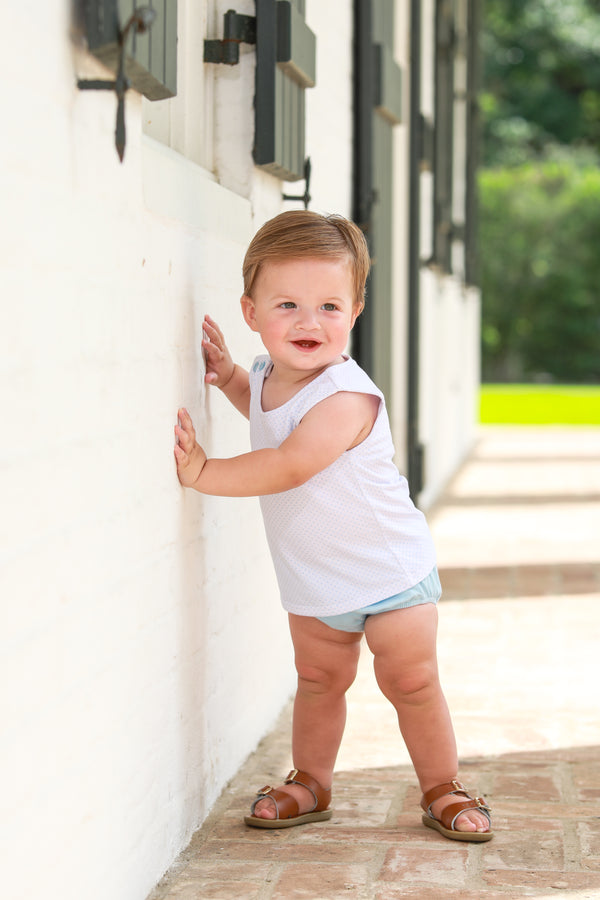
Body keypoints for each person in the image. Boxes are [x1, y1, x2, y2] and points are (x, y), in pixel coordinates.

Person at [174, 210, 493, 842]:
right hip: (317, 578)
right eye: (287, 303)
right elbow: (268, 412)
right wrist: (232, 376)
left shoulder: (347, 397)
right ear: (251, 310)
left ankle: (443, 787)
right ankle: (310, 782)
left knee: (411, 681)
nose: (307, 322)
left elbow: (289, 463)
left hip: (389, 571)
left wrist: (205, 471)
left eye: (328, 306)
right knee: (319, 681)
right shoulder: (268, 375)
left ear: (355, 311)